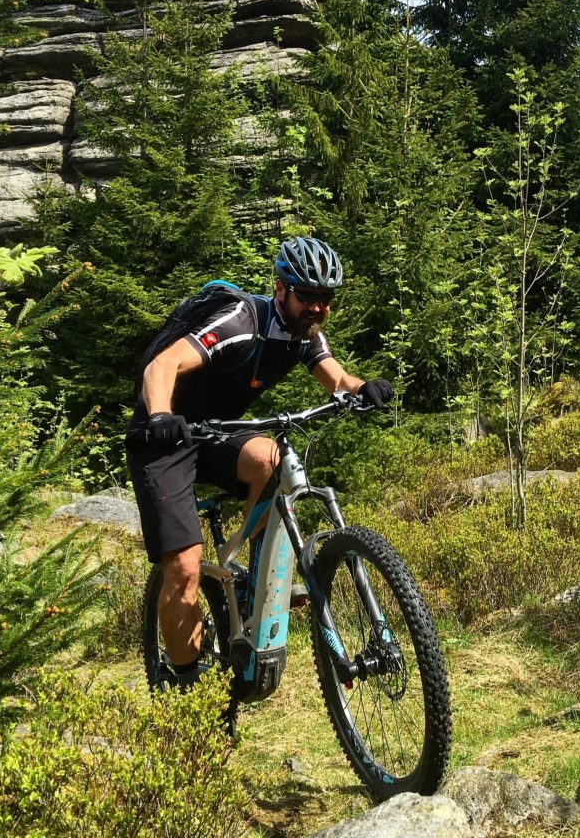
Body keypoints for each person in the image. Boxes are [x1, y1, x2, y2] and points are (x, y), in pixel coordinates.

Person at [126, 237, 393, 688]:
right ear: (280, 289)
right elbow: (162, 366)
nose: (317, 308)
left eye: (325, 299)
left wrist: (364, 388)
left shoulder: (304, 335)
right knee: (185, 568)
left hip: (217, 434)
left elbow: (338, 380)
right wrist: (159, 415)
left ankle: (250, 581)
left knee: (274, 460)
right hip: (165, 437)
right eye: (307, 296)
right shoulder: (240, 321)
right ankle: (188, 692)